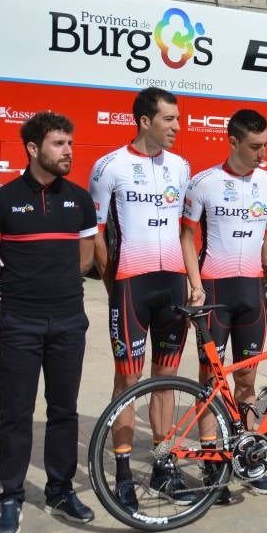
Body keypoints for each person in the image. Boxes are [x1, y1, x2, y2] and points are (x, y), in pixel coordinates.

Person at [0, 111, 98, 533]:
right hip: (20, 323)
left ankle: (60, 490)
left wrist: (55, 281)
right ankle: (11, 496)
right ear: (33, 148)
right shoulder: (2, 201)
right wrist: (28, 279)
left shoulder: (79, 200)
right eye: (58, 144)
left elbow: (85, 258)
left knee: (64, 411)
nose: (68, 151)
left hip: (68, 321)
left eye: (69, 143)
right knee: (16, 413)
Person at [180, 109, 267, 501]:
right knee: (210, 383)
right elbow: (186, 237)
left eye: (266, 145)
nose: (262, 153)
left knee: (247, 381)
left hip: (251, 293)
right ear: (233, 142)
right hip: (216, 295)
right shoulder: (203, 183)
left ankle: (247, 458)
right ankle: (212, 466)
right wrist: (195, 284)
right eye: (255, 146)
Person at [90, 88, 192, 511]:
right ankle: (124, 472)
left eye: (178, 118)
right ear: (145, 121)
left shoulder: (182, 167)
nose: (177, 127)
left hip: (173, 284)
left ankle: (163, 466)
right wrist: (114, 286)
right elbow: (96, 234)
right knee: (128, 382)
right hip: (131, 286)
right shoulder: (109, 167)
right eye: (169, 119)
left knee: (165, 381)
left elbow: (185, 230)